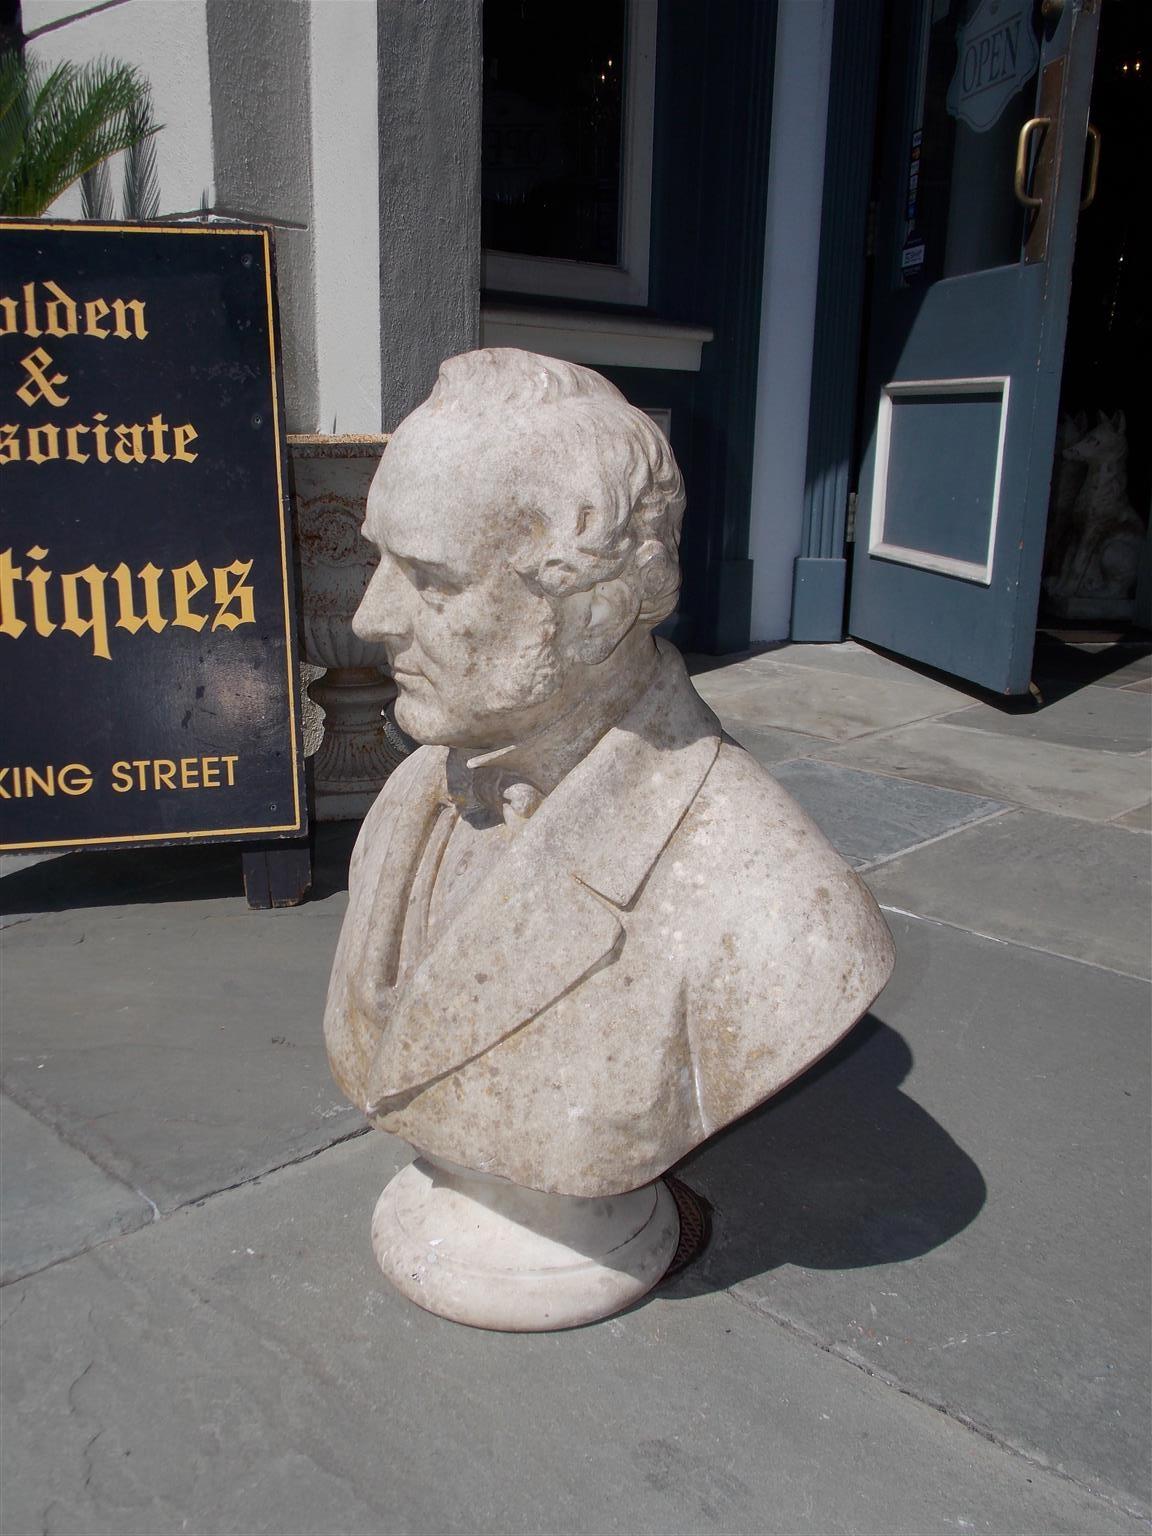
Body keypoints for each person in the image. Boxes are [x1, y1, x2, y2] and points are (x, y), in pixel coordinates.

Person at [324, 348, 894, 1198]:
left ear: (594, 612)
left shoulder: (776, 909)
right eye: (378, 560)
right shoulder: (416, 789)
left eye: (431, 580)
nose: (371, 617)